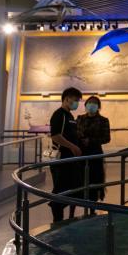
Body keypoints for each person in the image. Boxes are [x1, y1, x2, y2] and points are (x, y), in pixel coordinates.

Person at [49, 87, 83, 222]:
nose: (77, 103)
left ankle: (68, 218)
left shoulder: (70, 116)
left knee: (73, 188)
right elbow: (55, 136)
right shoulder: (59, 115)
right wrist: (72, 146)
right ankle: (58, 220)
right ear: (67, 98)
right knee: (60, 190)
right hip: (61, 160)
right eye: (75, 100)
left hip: (71, 160)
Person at [77, 96, 111, 209]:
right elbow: (75, 132)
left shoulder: (103, 120)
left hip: (95, 153)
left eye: (94, 103)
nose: (91, 105)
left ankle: (92, 205)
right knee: (81, 178)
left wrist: (90, 141)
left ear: (98, 107)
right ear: (86, 105)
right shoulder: (80, 119)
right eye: (89, 102)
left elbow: (106, 138)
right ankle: (81, 201)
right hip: (81, 152)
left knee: (95, 179)